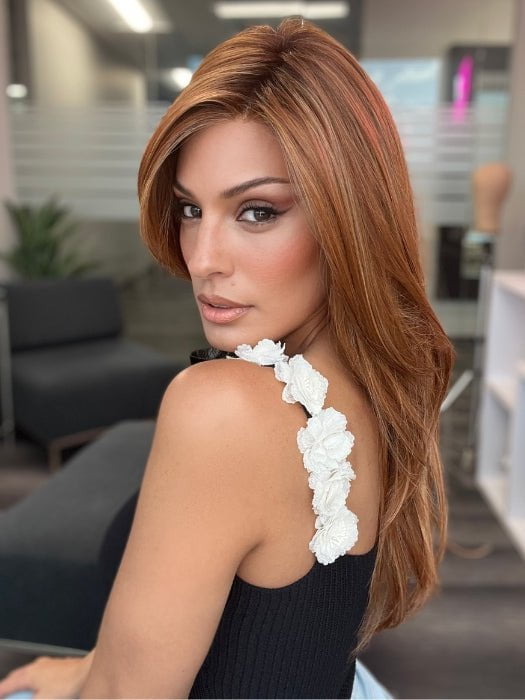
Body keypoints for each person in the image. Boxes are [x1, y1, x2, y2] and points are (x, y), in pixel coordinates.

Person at [0, 17, 454, 699]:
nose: (202, 260)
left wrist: (102, 677)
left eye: (257, 212)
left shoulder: (222, 407)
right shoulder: (376, 385)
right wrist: (87, 667)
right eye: (190, 210)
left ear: (349, 217)